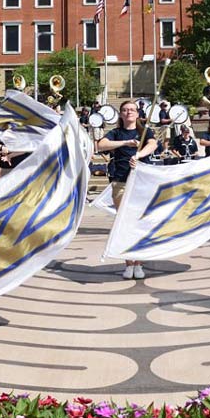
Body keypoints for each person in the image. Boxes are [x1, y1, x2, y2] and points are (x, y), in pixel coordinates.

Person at [95, 99, 158, 281]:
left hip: (141, 183)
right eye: (125, 110)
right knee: (124, 222)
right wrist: (125, 143)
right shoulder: (116, 133)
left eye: (132, 109)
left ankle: (138, 263)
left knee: (139, 223)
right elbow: (101, 145)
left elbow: (153, 144)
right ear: (121, 114)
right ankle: (129, 263)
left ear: (137, 113)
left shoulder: (144, 131)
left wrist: (139, 155)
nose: (129, 112)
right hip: (121, 182)